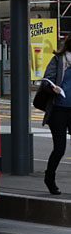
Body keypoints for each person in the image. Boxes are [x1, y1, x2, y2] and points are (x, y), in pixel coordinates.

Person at [41, 34, 71, 195]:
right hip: (59, 110)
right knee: (60, 149)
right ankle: (49, 177)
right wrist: (53, 88)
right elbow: (46, 80)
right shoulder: (59, 60)